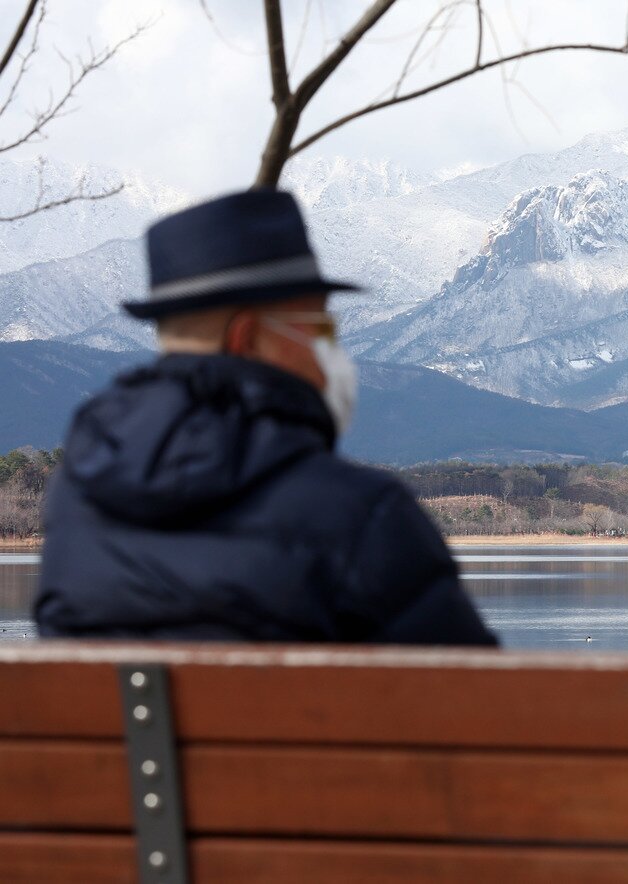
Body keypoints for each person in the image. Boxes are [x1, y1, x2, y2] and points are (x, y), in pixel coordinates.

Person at [33, 190, 497, 645]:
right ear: (248, 339)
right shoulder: (363, 515)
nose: (331, 353)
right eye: (321, 330)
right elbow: (475, 707)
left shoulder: (77, 499)